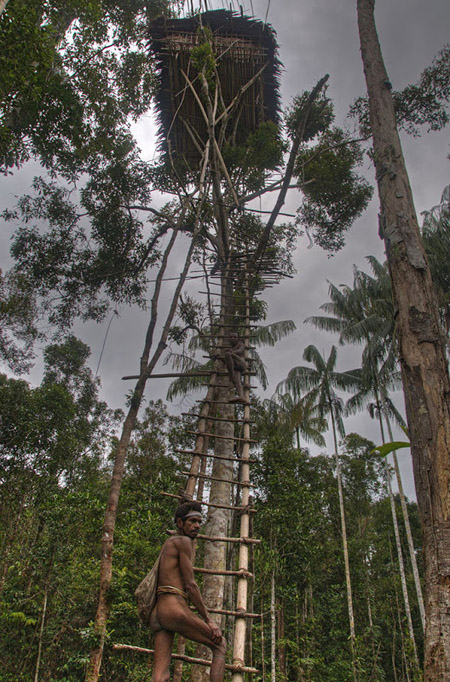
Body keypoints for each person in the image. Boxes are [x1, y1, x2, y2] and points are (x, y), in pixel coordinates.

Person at [149, 501, 227, 682]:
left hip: (159, 613)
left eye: (199, 522)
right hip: (174, 608)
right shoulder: (183, 542)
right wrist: (209, 621)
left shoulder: (169, 543)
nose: (197, 526)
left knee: (160, 676)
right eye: (192, 521)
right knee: (220, 645)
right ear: (179, 523)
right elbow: (191, 585)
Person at [222, 331, 247, 403]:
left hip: (241, 363)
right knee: (237, 381)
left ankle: (231, 375)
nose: (233, 338)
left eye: (235, 337)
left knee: (227, 354)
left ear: (238, 338)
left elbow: (240, 351)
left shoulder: (241, 344)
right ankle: (242, 396)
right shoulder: (231, 349)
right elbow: (228, 362)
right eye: (231, 337)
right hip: (235, 367)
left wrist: (232, 353)